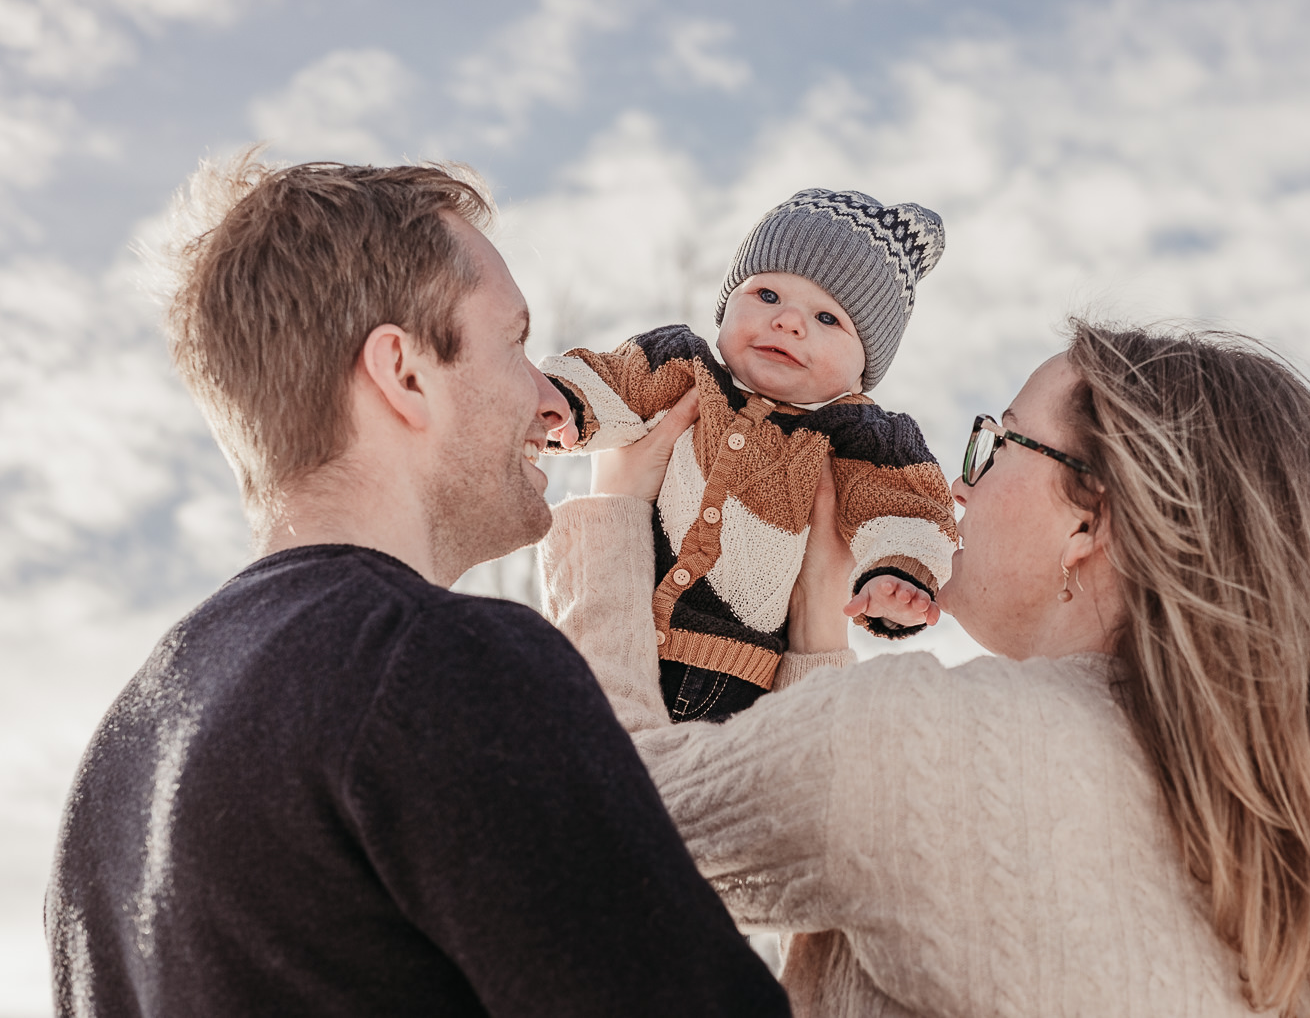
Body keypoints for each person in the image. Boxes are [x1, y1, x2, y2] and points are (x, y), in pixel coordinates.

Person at [44, 155, 789, 1017]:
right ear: (403, 373)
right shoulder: (441, 664)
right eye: (513, 342)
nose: (550, 396)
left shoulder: (112, 778)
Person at [540, 320, 1310, 1017]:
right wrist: (816, 630)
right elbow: (879, 883)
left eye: (994, 448)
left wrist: (615, 507)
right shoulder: (1272, 857)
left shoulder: (926, 741)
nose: (957, 490)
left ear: (1089, 523)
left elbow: (611, 815)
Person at [538, 188, 958, 722]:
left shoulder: (860, 438)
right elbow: (614, 379)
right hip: (620, 631)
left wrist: (895, 573)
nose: (788, 322)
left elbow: (909, 508)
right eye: (766, 296)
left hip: (740, 686)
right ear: (727, 303)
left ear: (862, 371)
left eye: (828, 319)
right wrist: (561, 402)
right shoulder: (684, 367)